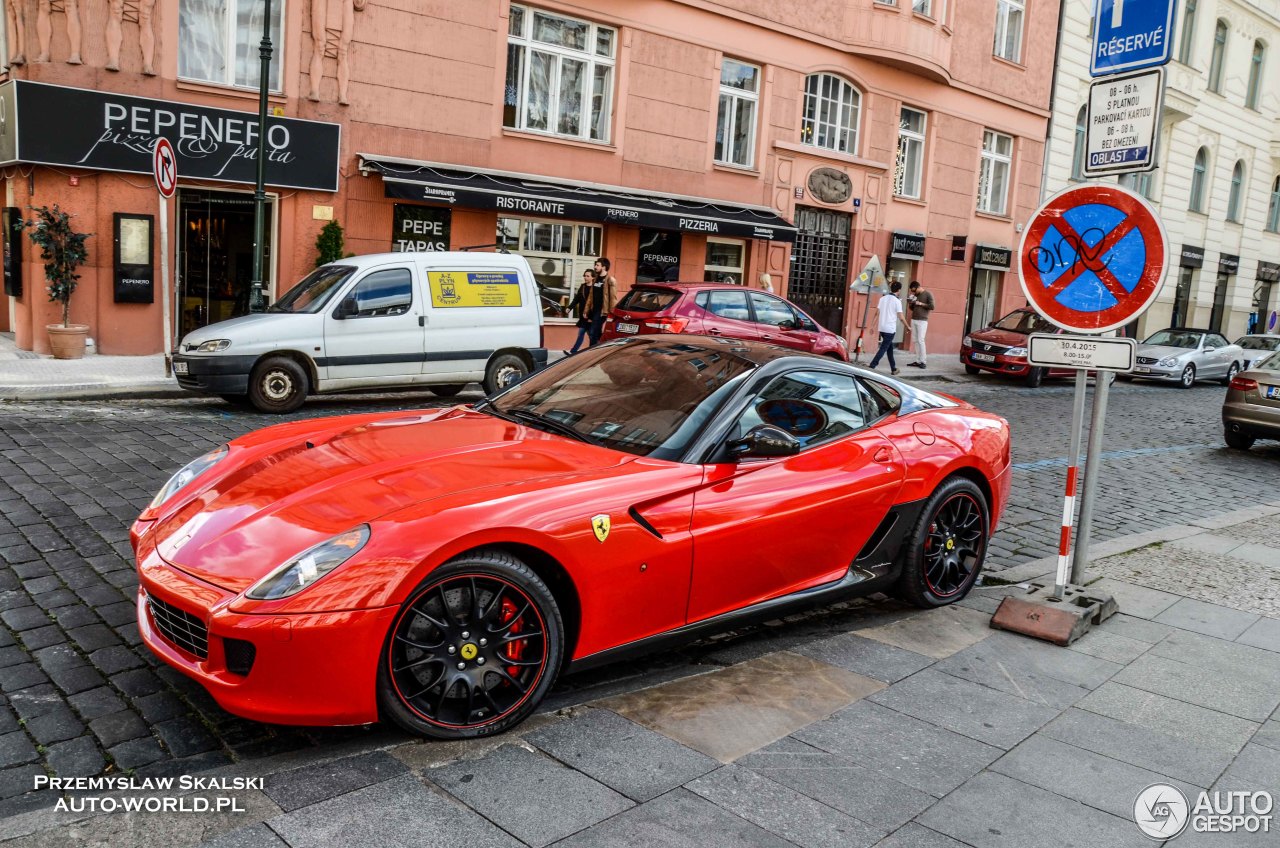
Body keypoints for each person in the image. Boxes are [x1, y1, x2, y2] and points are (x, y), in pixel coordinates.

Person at [868, 281, 906, 375]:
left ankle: (893, 368)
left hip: (882, 328)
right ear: (899, 290)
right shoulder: (897, 301)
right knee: (883, 348)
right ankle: (872, 365)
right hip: (890, 329)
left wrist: (872, 326)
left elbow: (877, 313)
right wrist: (908, 326)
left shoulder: (882, 298)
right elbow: (901, 317)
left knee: (889, 348)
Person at [587, 257, 618, 345]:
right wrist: (587, 310)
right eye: (595, 265)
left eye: (597, 265)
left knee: (593, 332)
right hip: (594, 310)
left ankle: (591, 353)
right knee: (597, 332)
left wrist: (612, 313)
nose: (595, 267)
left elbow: (613, 298)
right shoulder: (595, 279)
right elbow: (590, 296)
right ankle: (602, 347)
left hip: (602, 311)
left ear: (604, 267)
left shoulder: (610, 280)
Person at [906, 280, 935, 368]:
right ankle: (918, 360)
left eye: (914, 290)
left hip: (922, 320)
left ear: (918, 287)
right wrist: (911, 302)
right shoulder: (915, 295)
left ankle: (923, 361)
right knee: (915, 340)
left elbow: (932, 306)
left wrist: (920, 303)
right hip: (914, 319)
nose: (914, 292)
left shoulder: (928, 294)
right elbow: (912, 308)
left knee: (921, 340)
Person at [567, 270, 594, 354]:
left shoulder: (595, 288)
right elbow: (577, 299)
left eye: (587, 276)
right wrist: (569, 307)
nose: (585, 277)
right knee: (582, 334)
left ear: (593, 277)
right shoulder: (582, 286)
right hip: (583, 316)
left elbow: (597, 304)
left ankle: (594, 352)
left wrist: (591, 317)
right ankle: (574, 351)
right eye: (585, 276)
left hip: (590, 317)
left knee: (592, 336)